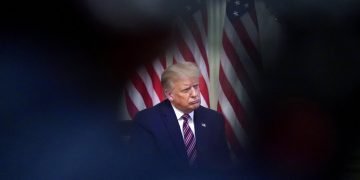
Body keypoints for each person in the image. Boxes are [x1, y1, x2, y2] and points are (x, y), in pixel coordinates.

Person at [129, 62, 232, 179]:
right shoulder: (147, 121)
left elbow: (224, 166)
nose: (195, 94)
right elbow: (143, 170)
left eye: (196, 86)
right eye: (186, 89)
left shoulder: (214, 119)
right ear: (169, 95)